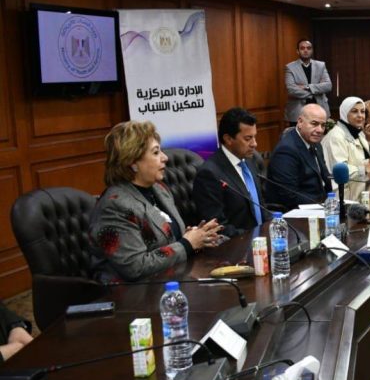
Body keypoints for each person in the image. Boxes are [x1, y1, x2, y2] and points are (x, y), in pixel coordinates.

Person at [90, 121, 222, 283]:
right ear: (132, 162)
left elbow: (169, 240)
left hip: (171, 280)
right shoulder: (115, 206)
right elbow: (135, 267)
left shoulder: (159, 189)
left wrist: (197, 236)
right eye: (155, 152)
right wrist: (187, 244)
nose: (165, 158)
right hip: (131, 292)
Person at [191, 107, 266, 237]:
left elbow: (261, 207)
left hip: (262, 238)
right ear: (228, 139)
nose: (254, 144)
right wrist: (254, 236)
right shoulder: (209, 174)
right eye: (248, 138)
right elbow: (217, 227)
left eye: (254, 137)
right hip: (237, 243)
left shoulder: (250, 161)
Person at [266, 104, 332, 211]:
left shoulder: (316, 144)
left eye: (323, 125)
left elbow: (325, 178)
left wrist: (331, 201)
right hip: (297, 211)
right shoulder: (286, 151)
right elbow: (288, 195)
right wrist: (321, 204)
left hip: (321, 206)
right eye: (314, 124)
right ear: (300, 122)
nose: (320, 130)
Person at [323, 97, 370, 190]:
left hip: (357, 187)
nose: (360, 115)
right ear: (345, 113)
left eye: (362, 111)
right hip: (340, 191)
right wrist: (364, 169)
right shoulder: (336, 136)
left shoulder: (359, 134)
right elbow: (339, 169)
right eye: (354, 111)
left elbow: (359, 160)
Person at [284, 39, 332, 126]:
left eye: (308, 48)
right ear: (297, 51)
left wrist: (308, 87)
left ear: (312, 50)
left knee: (320, 134)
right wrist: (315, 92)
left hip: (320, 109)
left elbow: (328, 86)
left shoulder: (321, 65)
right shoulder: (290, 67)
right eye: (302, 48)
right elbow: (291, 89)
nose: (306, 50)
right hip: (298, 111)